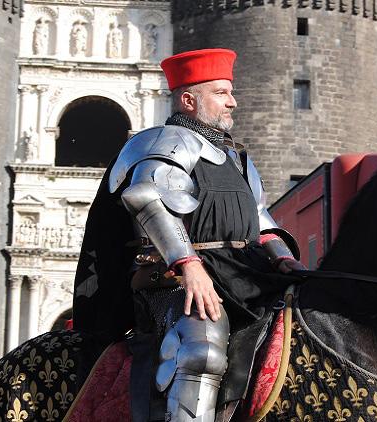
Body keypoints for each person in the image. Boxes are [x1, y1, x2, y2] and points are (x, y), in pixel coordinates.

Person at [73, 48, 304, 421]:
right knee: (203, 350)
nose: (233, 102)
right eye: (221, 93)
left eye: (230, 92)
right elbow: (145, 196)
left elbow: (261, 221)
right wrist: (189, 265)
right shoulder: (166, 142)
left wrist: (284, 258)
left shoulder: (238, 160)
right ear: (188, 100)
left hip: (244, 278)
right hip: (175, 284)